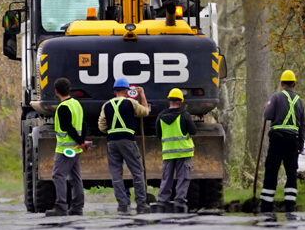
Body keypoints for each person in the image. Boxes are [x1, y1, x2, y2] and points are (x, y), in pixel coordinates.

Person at [98, 77, 151, 215]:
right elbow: (145, 112)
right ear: (127, 91)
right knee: (138, 172)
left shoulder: (106, 105)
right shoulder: (131, 103)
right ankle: (141, 204)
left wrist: (111, 131)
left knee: (116, 175)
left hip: (111, 142)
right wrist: (142, 95)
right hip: (128, 141)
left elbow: (101, 126)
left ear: (115, 91)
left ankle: (122, 204)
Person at [260, 70, 305, 220]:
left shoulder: (276, 97)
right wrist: (301, 144)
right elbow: (303, 126)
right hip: (293, 140)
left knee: (272, 170)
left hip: (277, 139)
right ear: (294, 84)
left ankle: (266, 207)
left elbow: (267, 116)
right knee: (291, 172)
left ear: (281, 83)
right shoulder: (300, 101)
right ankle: (290, 206)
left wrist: (267, 107)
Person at [45, 77, 89, 216]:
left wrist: (79, 141)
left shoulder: (63, 107)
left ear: (56, 91)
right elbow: (83, 124)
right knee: (75, 177)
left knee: (58, 175)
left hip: (66, 149)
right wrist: (81, 141)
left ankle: (61, 206)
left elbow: (67, 127)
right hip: (76, 147)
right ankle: (77, 207)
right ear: (69, 89)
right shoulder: (76, 104)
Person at [155, 87, 196, 213]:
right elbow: (193, 131)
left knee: (166, 178)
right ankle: (179, 201)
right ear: (181, 102)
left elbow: (158, 135)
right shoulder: (184, 115)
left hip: (168, 153)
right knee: (183, 178)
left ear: (169, 101)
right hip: (184, 152)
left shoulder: (160, 116)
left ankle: (162, 201)